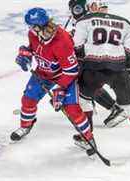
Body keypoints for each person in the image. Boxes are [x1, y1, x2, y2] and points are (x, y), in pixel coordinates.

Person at [10, 7, 97, 156]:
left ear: (39, 26)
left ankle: (88, 138)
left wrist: (60, 89)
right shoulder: (34, 34)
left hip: (64, 76)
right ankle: (26, 126)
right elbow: (33, 48)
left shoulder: (62, 41)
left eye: (32, 26)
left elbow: (71, 70)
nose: (30, 29)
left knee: (72, 109)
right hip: (43, 74)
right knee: (28, 99)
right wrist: (25, 54)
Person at [73, 0, 130, 149]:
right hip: (118, 70)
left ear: (90, 7)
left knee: (84, 101)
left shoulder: (84, 21)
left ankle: (87, 138)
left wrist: (82, 59)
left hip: (93, 70)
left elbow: (76, 46)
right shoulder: (125, 23)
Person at [68, 0, 127, 129]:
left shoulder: (88, 19)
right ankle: (99, 105)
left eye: (77, 9)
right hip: (97, 57)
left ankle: (115, 109)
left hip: (99, 59)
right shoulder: (85, 19)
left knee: (87, 82)